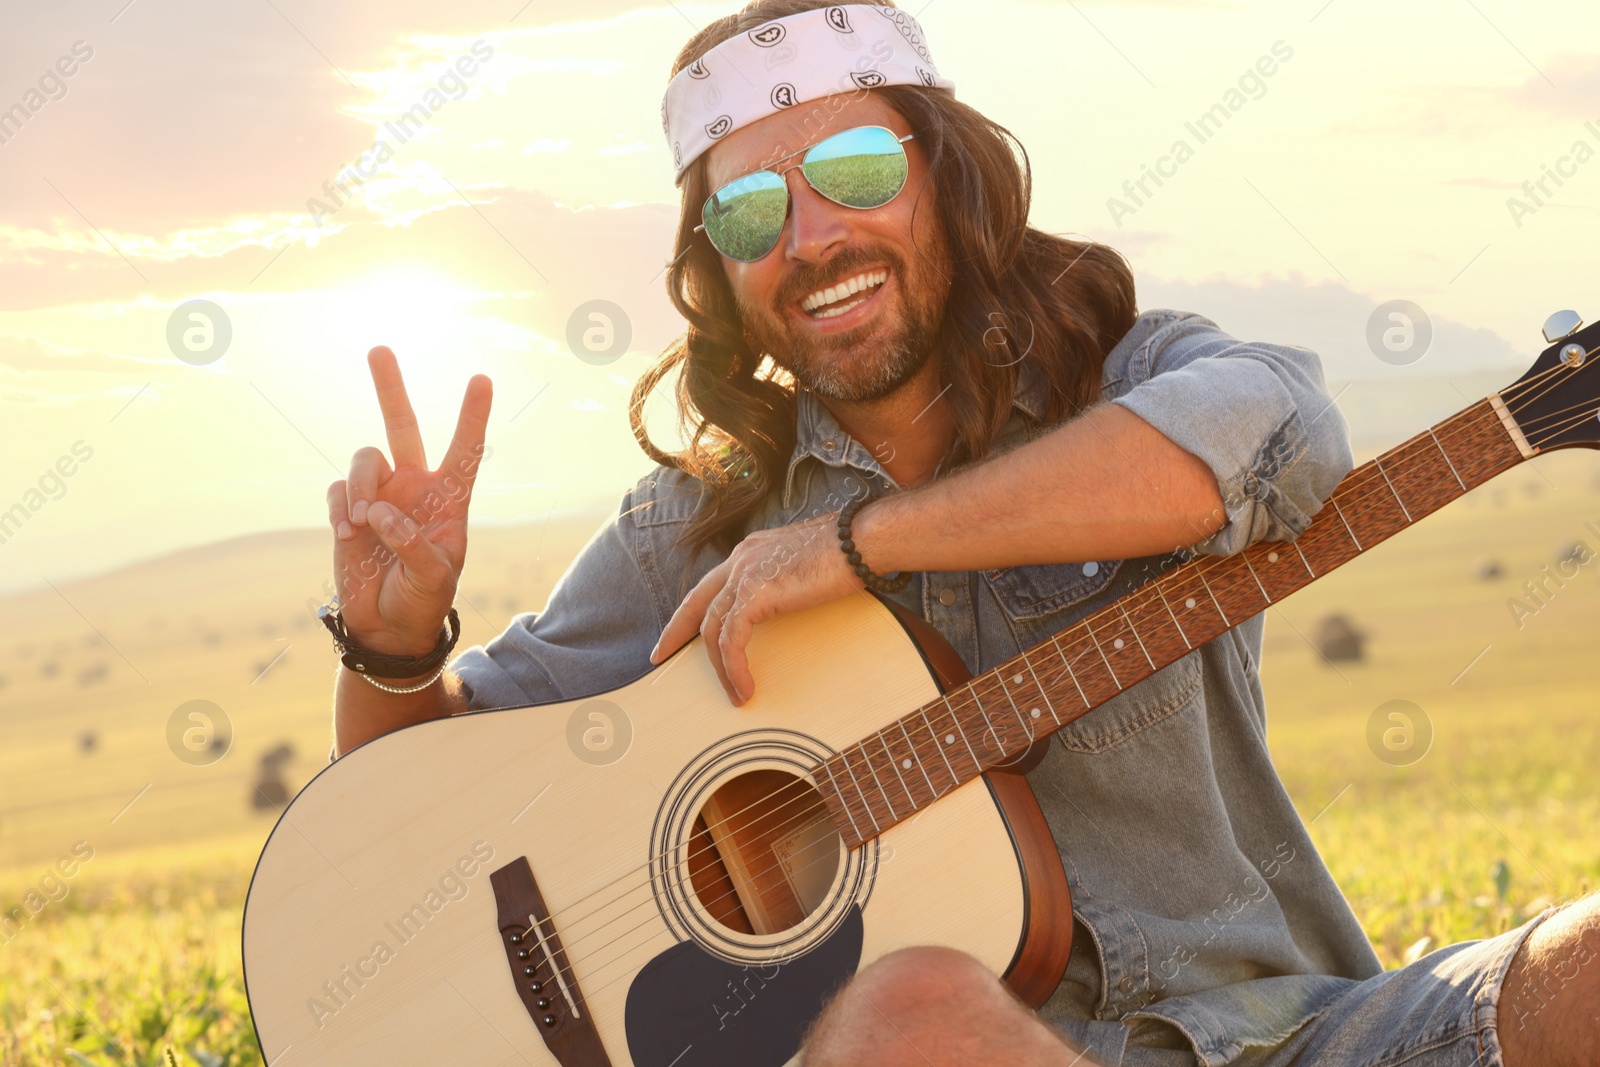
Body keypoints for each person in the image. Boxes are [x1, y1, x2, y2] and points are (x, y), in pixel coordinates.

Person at [319, 2, 1599, 1064]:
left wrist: (863, 543)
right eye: (752, 212)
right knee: (912, 1009)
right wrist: (389, 647)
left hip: (1291, 1031)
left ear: (946, 172)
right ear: (717, 267)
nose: (814, 236)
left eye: (859, 173)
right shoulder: (696, 522)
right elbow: (418, 835)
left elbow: (1277, 438)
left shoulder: (1133, 376)